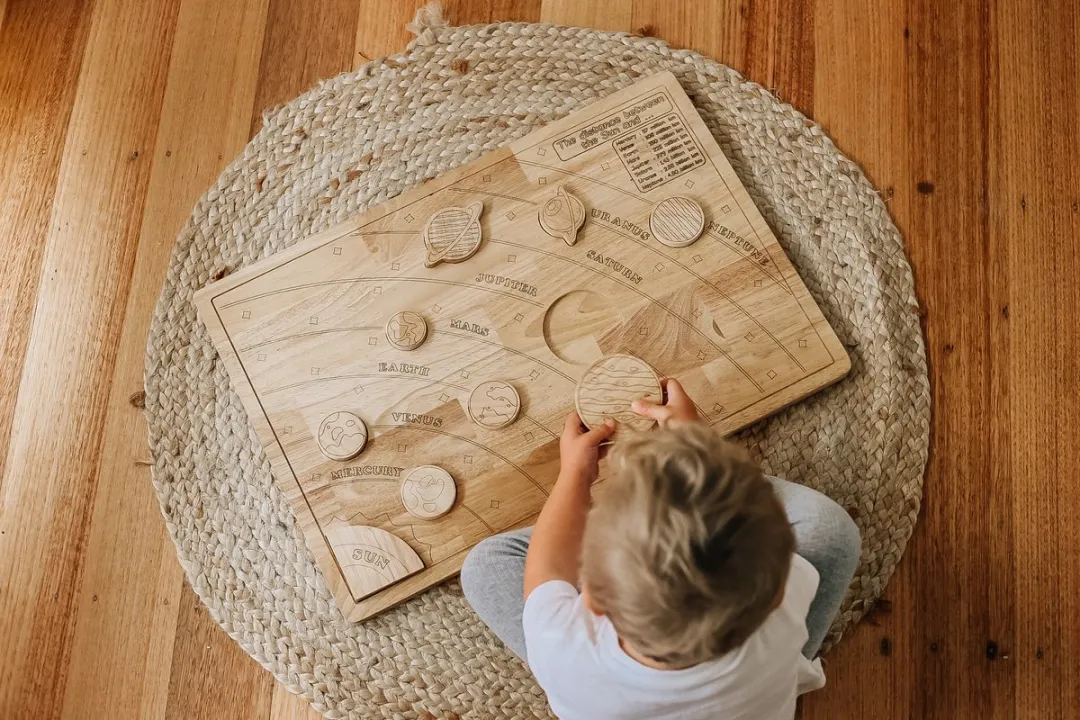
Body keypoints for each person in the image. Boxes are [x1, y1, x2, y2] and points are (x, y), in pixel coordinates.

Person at [460, 379, 862, 719]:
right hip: (750, 687)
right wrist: (698, 450)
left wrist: (575, 474)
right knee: (831, 531)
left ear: (591, 596)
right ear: (777, 594)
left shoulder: (563, 649)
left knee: (484, 566)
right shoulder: (781, 623)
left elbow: (546, 568)